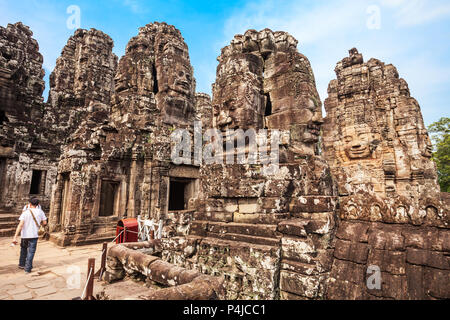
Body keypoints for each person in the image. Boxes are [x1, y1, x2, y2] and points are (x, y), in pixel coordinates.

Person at [12, 197, 47, 274]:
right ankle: (27, 269)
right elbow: (44, 223)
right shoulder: (40, 212)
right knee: (31, 252)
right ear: (38, 204)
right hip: (34, 235)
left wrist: (15, 236)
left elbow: (20, 225)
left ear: (29, 204)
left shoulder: (25, 212)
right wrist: (39, 223)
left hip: (24, 235)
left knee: (23, 249)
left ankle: (22, 264)